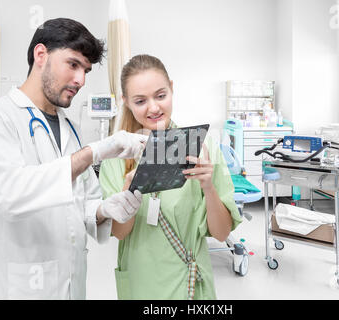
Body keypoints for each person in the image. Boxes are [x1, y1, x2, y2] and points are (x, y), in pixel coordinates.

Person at [0, 18, 146, 300]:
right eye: (73, 64)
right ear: (41, 55)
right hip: (20, 286)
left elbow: (83, 202)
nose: (81, 80)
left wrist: (106, 209)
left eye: (86, 70)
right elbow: (10, 195)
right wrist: (95, 152)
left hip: (72, 283)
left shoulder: (69, 127)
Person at [99, 54, 242, 300]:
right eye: (140, 100)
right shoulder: (116, 156)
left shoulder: (203, 147)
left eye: (161, 95)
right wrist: (128, 191)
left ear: (172, 89)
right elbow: (120, 233)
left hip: (189, 281)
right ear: (126, 102)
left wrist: (209, 187)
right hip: (142, 282)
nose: (153, 108)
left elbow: (221, 234)